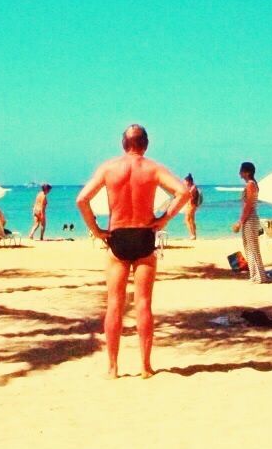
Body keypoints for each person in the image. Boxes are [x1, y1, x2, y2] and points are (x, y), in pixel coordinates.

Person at [77, 124, 190, 379]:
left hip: (118, 236)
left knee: (114, 304)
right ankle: (145, 366)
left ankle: (113, 367)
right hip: (143, 235)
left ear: (123, 144)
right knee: (143, 304)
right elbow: (183, 192)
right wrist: (164, 219)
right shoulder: (153, 168)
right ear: (146, 144)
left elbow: (81, 200)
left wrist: (95, 229)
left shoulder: (108, 168)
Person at [233, 162, 266, 285]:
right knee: (249, 247)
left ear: (247, 172)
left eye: (241, 171)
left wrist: (240, 221)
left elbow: (248, 205)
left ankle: (259, 276)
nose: (240, 173)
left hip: (250, 218)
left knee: (252, 247)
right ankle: (255, 275)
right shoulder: (251, 185)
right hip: (250, 218)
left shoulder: (250, 185)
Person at [183, 174, 202, 240]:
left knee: (187, 220)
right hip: (191, 205)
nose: (184, 182)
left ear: (189, 181)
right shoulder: (192, 187)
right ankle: (194, 235)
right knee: (191, 220)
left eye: (185, 181)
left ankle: (192, 234)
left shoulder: (193, 187)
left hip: (191, 205)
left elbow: (189, 195)